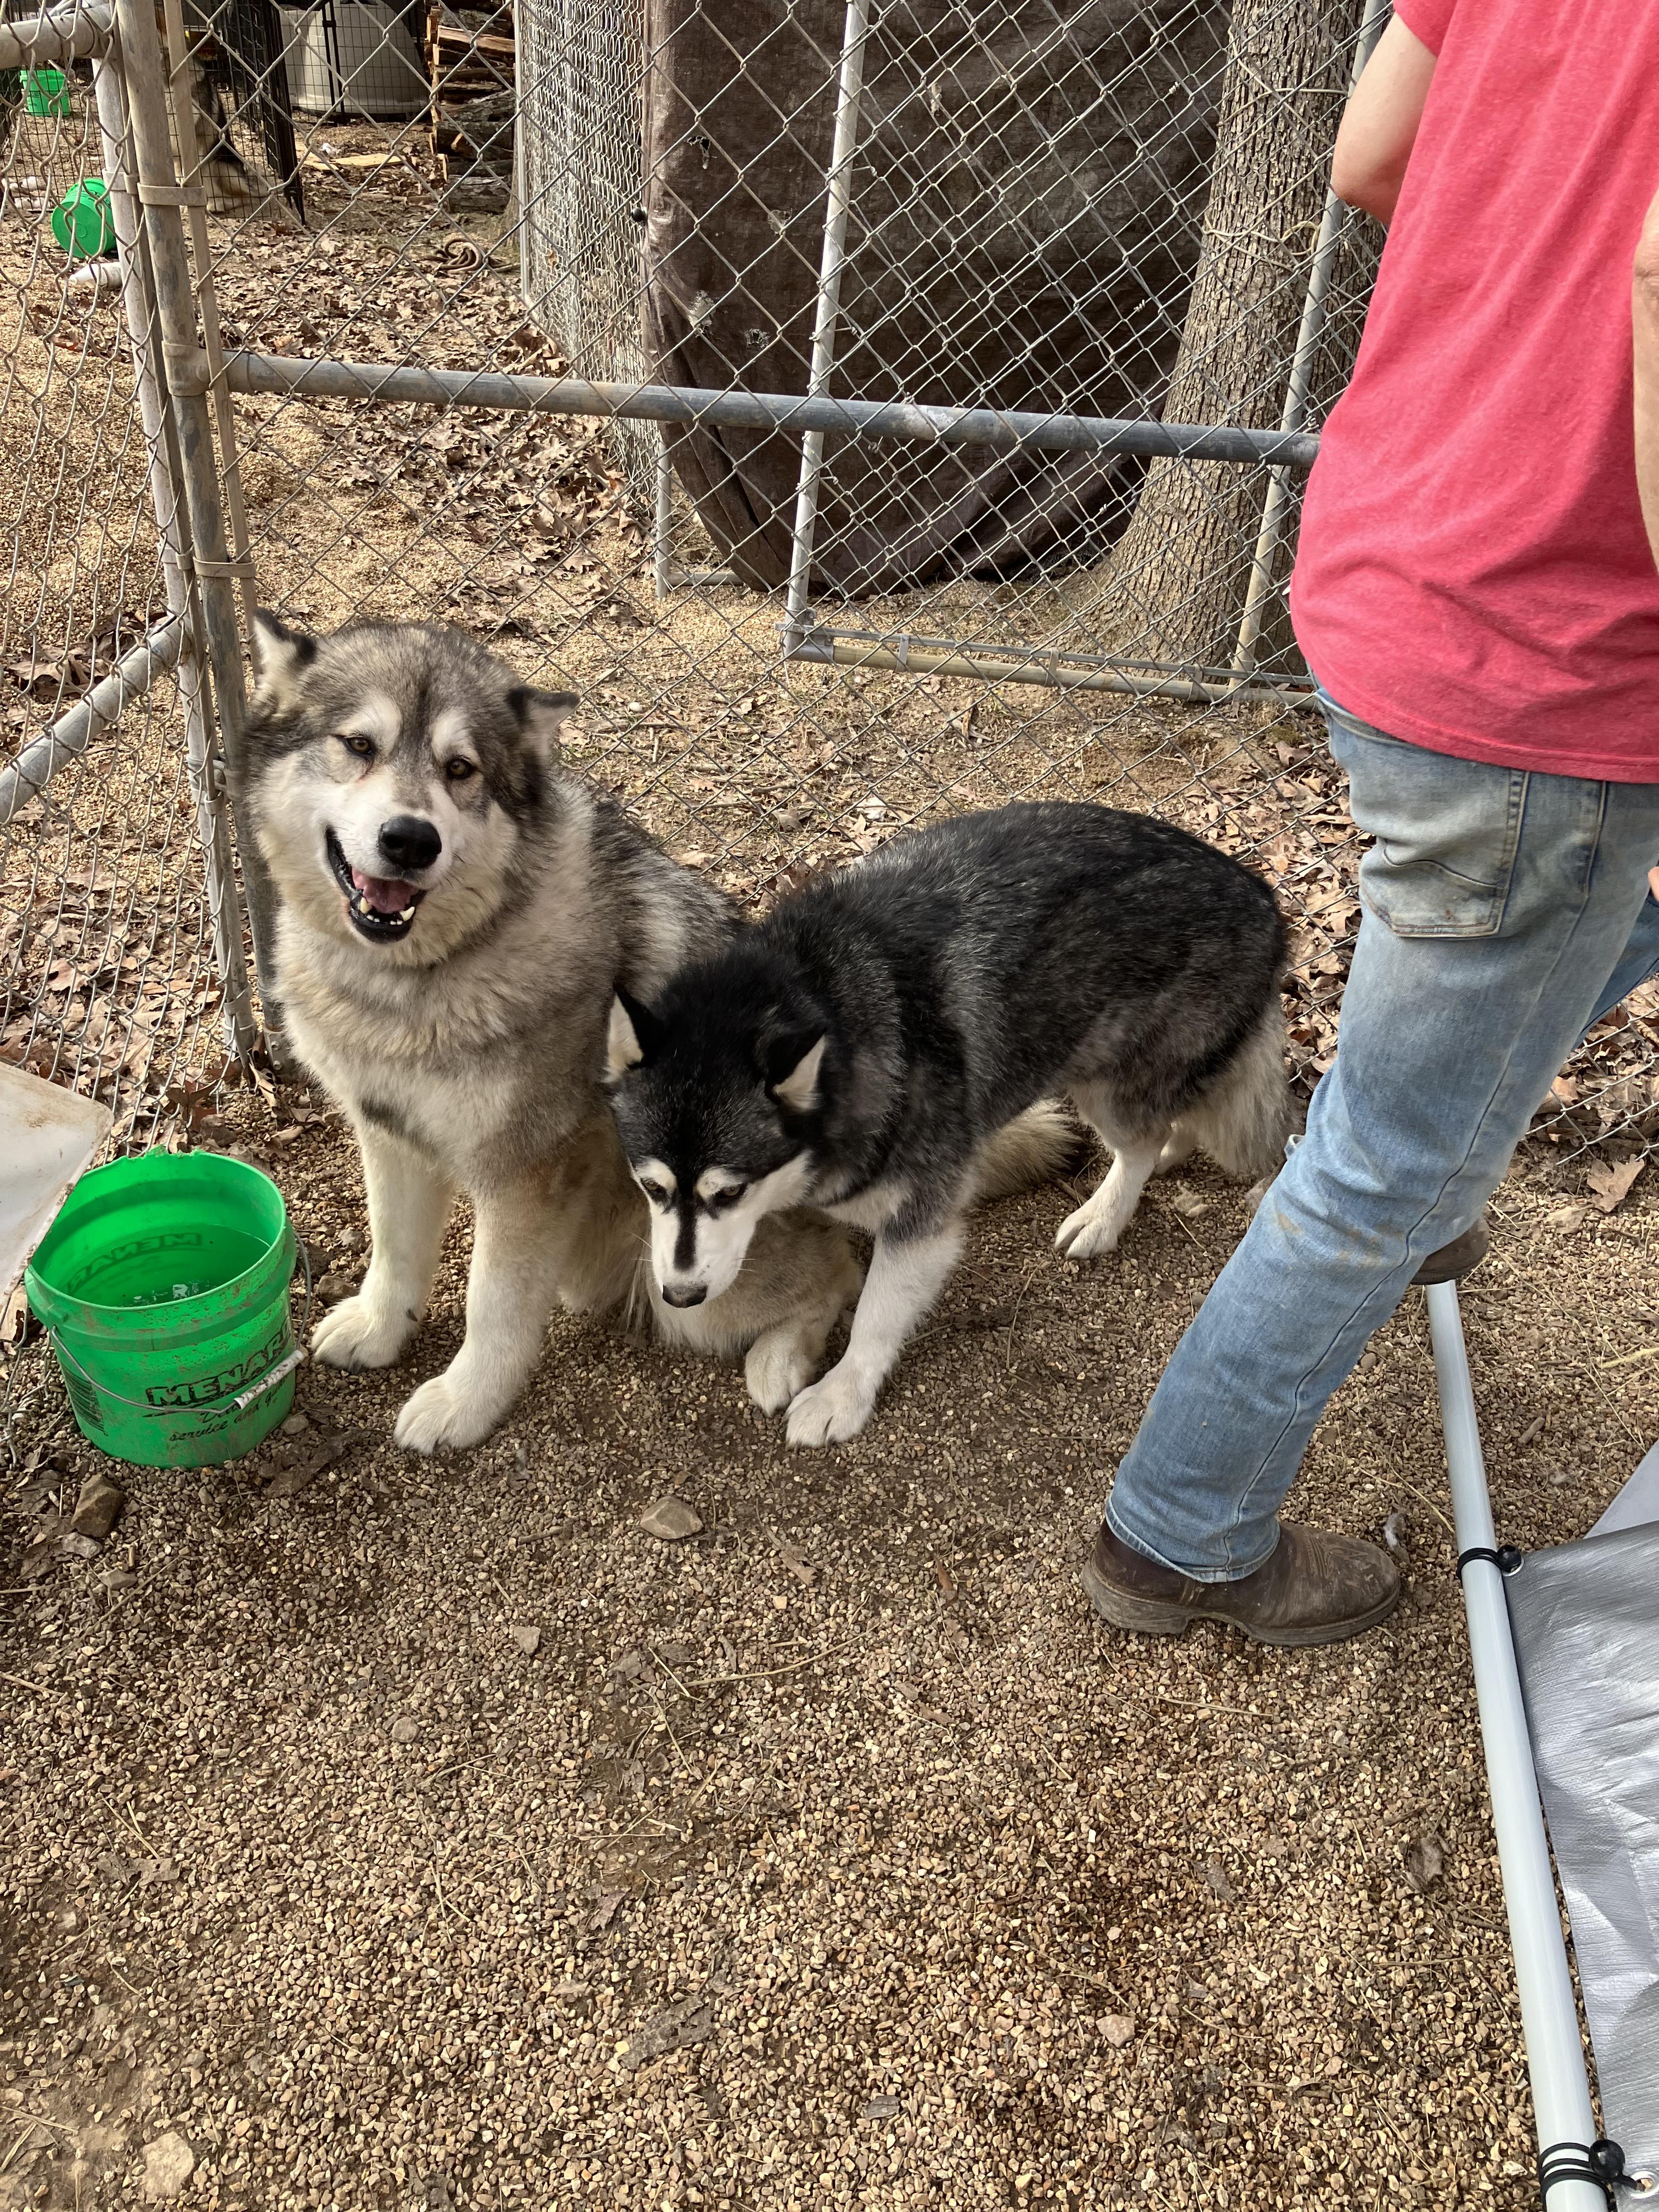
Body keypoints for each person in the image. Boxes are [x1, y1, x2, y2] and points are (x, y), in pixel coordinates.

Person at [1083, 0, 1659, 1647]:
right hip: (1551, 650)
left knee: (1465, 1044)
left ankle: (1423, 1120)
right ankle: (1179, 1533)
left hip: (1398, 554)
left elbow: (1371, 156)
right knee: (1378, 1174)